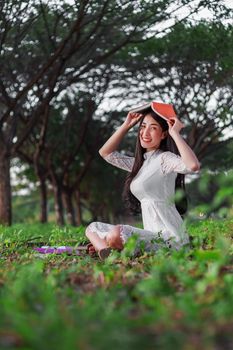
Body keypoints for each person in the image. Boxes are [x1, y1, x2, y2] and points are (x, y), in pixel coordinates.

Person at [85, 107, 200, 259]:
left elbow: (193, 165)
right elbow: (106, 153)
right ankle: (104, 249)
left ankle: (109, 246)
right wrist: (126, 125)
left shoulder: (165, 159)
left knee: (117, 233)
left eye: (153, 128)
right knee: (92, 228)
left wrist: (175, 133)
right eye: (143, 126)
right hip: (150, 235)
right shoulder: (139, 164)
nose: (145, 133)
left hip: (170, 238)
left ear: (163, 134)